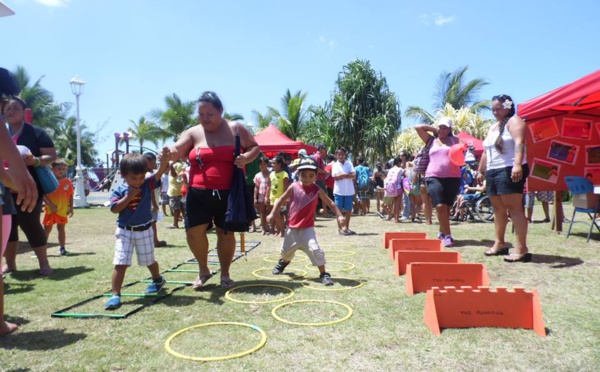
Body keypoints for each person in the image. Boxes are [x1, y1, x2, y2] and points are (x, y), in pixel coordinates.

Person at [168, 91, 260, 289]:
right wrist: (169, 152)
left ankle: (225, 274)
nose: (204, 119)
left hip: (229, 192)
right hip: (198, 192)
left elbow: (254, 147)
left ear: (220, 111)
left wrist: (246, 158)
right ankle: (203, 269)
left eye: (209, 114)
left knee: (225, 233)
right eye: (201, 114)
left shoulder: (236, 128)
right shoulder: (193, 132)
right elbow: (177, 150)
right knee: (193, 232)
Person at [104, 150, 171, 310]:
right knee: (120, 263)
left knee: (149, 260)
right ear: (123, 175)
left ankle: (158, 280)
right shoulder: (119, 190)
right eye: (134, 178)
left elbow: (160, 172)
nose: (138, 181)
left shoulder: (147, 184)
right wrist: (128, 196)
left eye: (141, 177)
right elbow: (114, 209)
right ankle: (115, 294)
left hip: (145, 230)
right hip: (124, 231)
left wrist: (164, 162)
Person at [268, 157, 345, 285]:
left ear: (316, 176)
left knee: (315, 250)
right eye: (303, 175)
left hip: (307, 228)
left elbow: (330, 202)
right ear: (298, 174)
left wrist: (339, 215)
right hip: (292, 228)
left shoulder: (317, 190)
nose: (307, 178)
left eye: (311, 175)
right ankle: (284, 262)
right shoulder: (293, 187)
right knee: (286, 252)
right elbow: (280, 200)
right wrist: (272, 213)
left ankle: (324, 274)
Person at [3, 97, 57, 276]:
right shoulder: (2, 131)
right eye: (7, 108)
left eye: (15, 108)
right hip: (4, 188)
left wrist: (36, 161)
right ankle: (10, 265)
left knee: (30, 224)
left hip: (29, 186)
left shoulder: (36, 132)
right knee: (7, 227)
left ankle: (44, 264)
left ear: (23, 112)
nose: (10, 111)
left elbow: (52, 156)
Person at [478, 94, 531, 262]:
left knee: (513, 207)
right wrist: (481, 171)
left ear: (508, 106)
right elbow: (487, 151)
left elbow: (520, 142)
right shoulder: (493, 127)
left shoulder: (514, 121)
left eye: (498, 108)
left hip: (509, 167)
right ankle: (500, 243)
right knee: (498, 208)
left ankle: (522, 248)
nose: (495, 112)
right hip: (493, 170)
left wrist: (517, 164)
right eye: (493, 109)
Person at [415, 117, 462, 247]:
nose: (442, 130)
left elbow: (465, 149)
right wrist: (434, 129)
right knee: (440, 206)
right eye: (440, 127)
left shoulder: (455, 140)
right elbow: (418, 127)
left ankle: (442, 232)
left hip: (453, 177)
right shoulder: (431, 140)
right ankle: (448, 236)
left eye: (445, 127)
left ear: (450, 129)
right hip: (433, 176)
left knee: (447, 208)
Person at [42, 159, 74, 255]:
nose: (62, 171)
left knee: (61, 229)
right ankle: (41, 249)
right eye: (59, 168)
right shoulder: (48, 181)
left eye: (64, 169)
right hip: (50, 210)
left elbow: (71, 195)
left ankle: (62, 248)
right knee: (47, 230)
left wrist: (71, 207)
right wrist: (50, 205)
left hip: (62, 210)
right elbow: (43, 195)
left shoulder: (67, 182)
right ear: (52, 169)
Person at [143, 152, 167, 248]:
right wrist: (155, 204)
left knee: (150, 222)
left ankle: (152, 240)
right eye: (152, 163)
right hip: (151, 203)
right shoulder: (148, 175)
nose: (153, 165)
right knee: (152, 222)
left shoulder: (146, 174)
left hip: (149, 202)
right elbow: (151, 190)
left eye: (154, 163)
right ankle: (155, 241)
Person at [331, 146, 355, 235]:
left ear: (345, 155)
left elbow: (353, 175)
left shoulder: (349, 163)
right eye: (339, 154)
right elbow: (335, 177)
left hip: (349, 190)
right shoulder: (334, 164)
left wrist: (342, 175)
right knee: (339, 210)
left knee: (349, 210)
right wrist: (347, 175)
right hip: (339, 191)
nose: (341, 156)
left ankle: (347, 228)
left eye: (342, 154)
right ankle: (340, 228)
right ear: (336, 155)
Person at [269, 155, 290, 236]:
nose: (272, 165)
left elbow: (286, 187)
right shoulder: (271, 174)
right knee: (276, 216)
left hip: (280, 198)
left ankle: (282, 231)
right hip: (272, 198)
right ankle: (279, 231)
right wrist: (267, 197)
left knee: (277, 215)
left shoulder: (284, 174)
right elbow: (270, 186)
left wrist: (284, 199)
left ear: (279, 164)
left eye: (274, 163)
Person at [253, 156, 271, 235]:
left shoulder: (271, 174)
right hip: (261, 195)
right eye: (261, 164)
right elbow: (256, 188)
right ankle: (263, 228)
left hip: (270, 195)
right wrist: (255, 198)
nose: (262, 166)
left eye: (264, 164)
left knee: (269, 211)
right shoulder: (257, 175)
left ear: (267, 164)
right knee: (262, 212)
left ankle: (271, 227)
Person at [167, 160, 185, 229]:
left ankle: (175, 224)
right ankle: (186, 222)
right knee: (181, 208)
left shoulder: (178, 165)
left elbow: (175, 175)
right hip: (176, 190)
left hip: (175, 190)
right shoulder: (176, 164)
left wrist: (171, 165)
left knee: (176, 209)